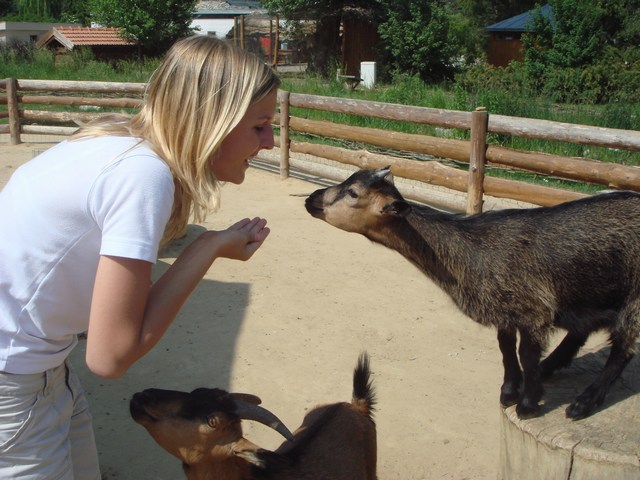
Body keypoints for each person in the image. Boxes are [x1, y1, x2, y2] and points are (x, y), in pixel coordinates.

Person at [0, 35, 280, 479]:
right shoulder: (143, 176)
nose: (268, 141)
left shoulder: (112, 142)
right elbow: (110, 357)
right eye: (259, 125)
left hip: (40, 370)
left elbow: (115, 313)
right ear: (212, 121)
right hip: (13, 380)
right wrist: (205, 249)